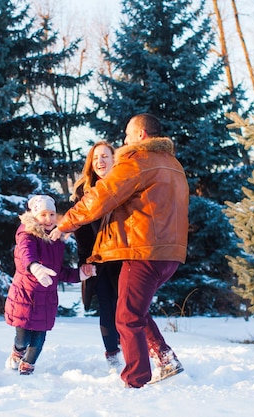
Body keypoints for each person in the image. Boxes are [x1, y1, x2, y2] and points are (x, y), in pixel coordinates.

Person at [49, 113, 189, 388]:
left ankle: (135, 380)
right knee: (135, 309)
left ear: (142, 136)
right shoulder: (173, 165)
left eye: (127, 135)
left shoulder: (137, 161)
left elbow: (101, 197)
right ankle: (164, 358)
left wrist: (65, 224)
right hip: (170, 253)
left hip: (143, 250)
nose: (123, 141)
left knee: (126, 317)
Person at [4, 194, 95, 375]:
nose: (48, 219)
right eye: (43, 214)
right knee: (23, 338)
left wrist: (80, 274)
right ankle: (17, 352)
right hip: (26, 296)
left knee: (39, 339)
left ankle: (27, 370)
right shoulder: (27, 234)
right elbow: (25, 253)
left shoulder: (56, 241)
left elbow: (58, 271)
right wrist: (35, 267)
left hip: (47, 299)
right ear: (35, 216)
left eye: (52, 215)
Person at [71, 141, 123, 371]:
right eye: (95, 158)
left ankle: (133, 350)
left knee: (128, 306)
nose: (100, 161)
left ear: (114, 159)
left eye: (104, 156)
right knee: (106, 306)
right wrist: (86, 261)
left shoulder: (126, 185)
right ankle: (113, 353)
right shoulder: (84, 192)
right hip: (99, 259)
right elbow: (80, 230)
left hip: (125, 256)